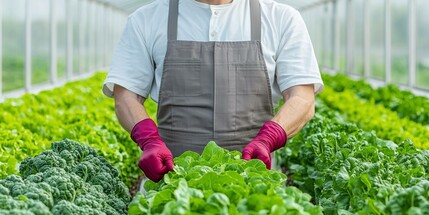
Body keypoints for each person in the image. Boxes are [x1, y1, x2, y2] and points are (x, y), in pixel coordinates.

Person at [102, 0, 324, 182]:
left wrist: (268, 139)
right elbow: (126, 96)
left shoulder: (282, 18)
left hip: (254, 182)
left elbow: (302, 98)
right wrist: (149, 140)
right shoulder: (147, 19)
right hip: (170, 180)